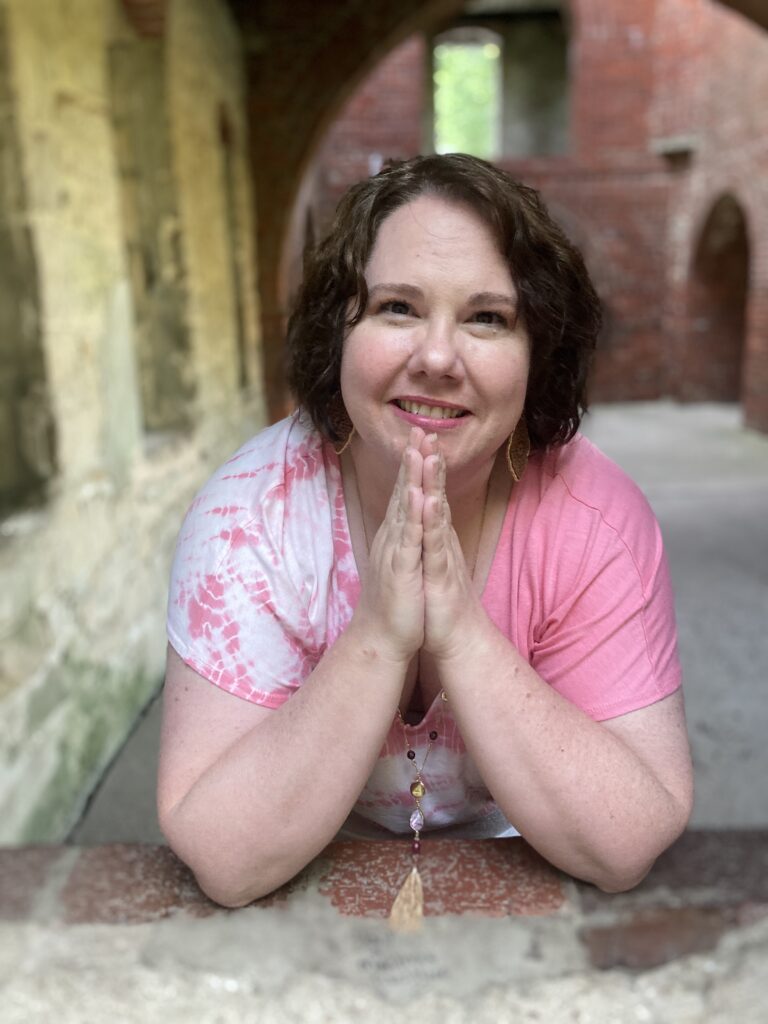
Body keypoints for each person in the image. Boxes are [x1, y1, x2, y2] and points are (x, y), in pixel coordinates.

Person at [157, 154, 693, 909]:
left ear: (539, 354)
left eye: (487, 318)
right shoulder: (250, 515)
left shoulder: (594, 517)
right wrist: (378, 633)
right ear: (337, 332)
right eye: (398, 308)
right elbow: (225, 857)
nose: (438, 358)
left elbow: (626, 844)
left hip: (532, 855)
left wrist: (463, 634)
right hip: (312, 860)